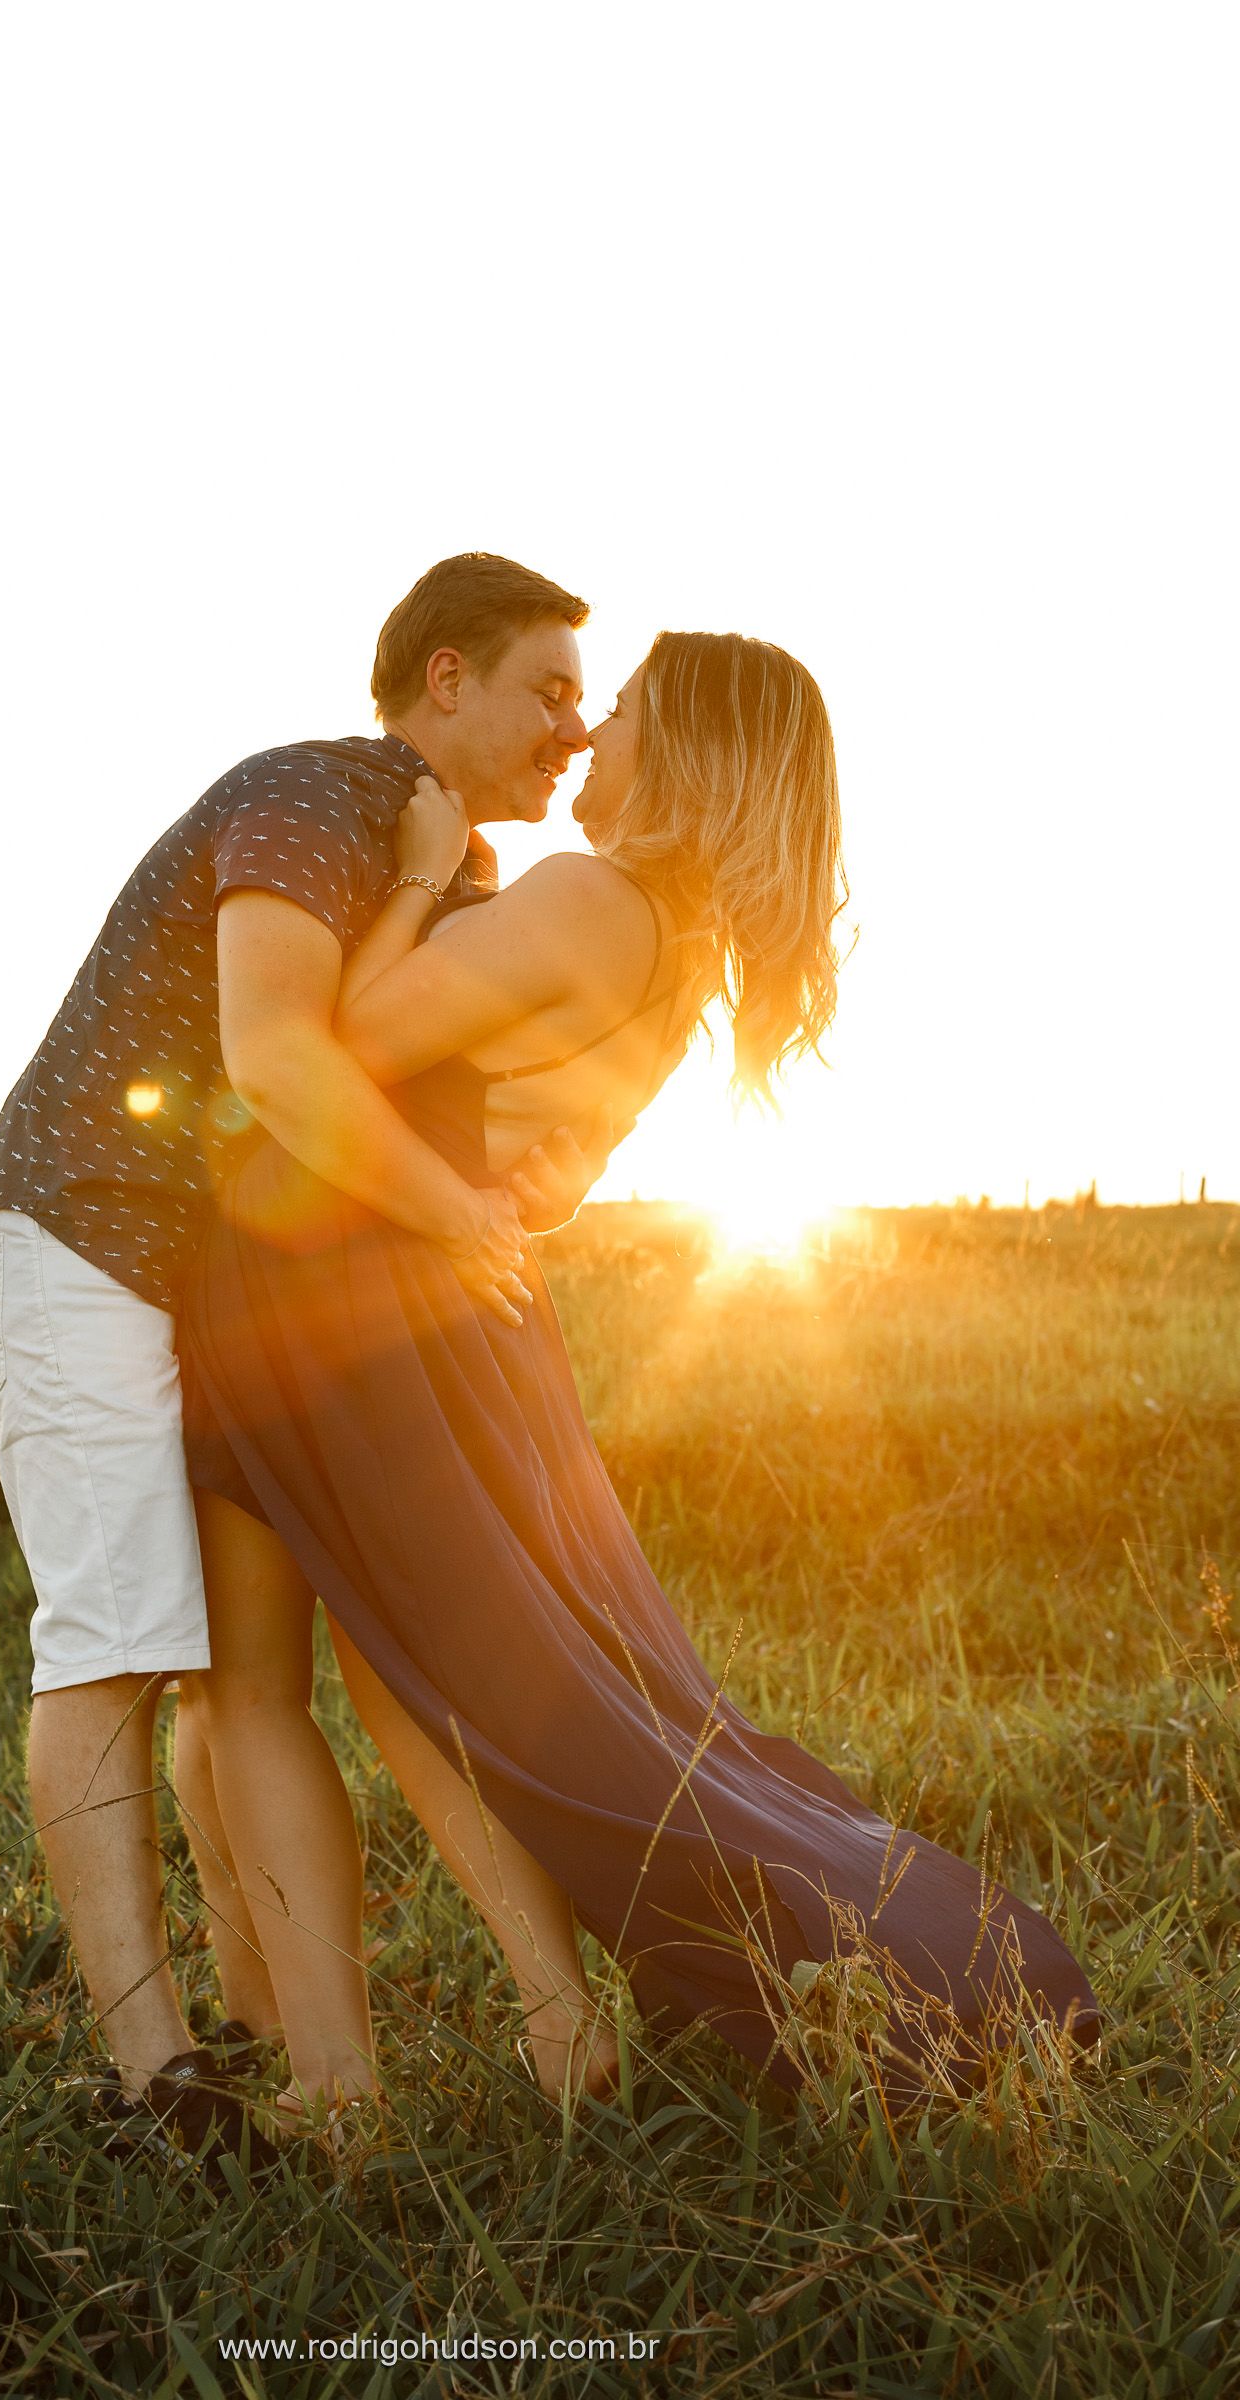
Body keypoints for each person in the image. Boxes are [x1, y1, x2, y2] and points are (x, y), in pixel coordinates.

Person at [178, 630, 1104, 2123]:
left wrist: (418, 868)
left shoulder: (586, 894)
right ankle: (513, 2027)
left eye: (623, 713)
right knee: (435, 1670)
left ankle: (354, 2060)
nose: (590, 730)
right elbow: (546, 1176)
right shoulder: (679, 951)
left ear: (679, 755)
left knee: (301, 1676)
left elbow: (331, 1039)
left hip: (338, 1290)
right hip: (451, 1306)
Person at [0, 553, 610, 2174]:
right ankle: (152, 2083)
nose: (573, 734)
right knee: (116, 1638)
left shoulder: (438, 878)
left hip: (208, 1290)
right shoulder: (320, 790)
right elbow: (279, 1061)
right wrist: (458, 1215)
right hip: (82, 1237)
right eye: (549, 689)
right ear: (443, 679)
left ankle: (262, 2023)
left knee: (221, 1673)